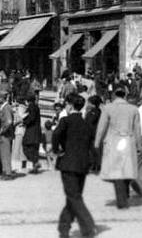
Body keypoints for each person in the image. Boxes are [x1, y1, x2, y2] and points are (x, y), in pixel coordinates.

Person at [53, 93, 97, 238]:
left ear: (70, 105)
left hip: (68, 163)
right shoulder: (87, 124)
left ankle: (89, 225)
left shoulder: (66, 121)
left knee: (74, 197)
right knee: (74, 197)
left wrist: (57, 149)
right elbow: (92, 144)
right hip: (83, 164)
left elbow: (55, 135)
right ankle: (64, 228)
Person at [94, 87, 142, 210]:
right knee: (127, 168)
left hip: (114, 141)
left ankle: (122, 201)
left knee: (117, 171)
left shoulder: (108, 108)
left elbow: (101, 126)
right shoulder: (133, 109)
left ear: (114, 95)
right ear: (125, 96)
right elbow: (137, 128)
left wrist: (97, 142)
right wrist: (139, 144)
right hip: (128, 141)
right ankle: (125, 194)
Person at [22, 94, 42, 174]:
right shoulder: (36, 107)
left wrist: (24, 122)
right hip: (36, 131)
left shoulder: (31, 107)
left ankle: (35, 162)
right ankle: (35, 166)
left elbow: (31, 118)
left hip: (31, 131)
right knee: (34, 149)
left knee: (26, 146)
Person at [0, 90, 14, 180]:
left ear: (1, 97)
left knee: (6, 153)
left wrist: (2, 130)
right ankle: (6, 171)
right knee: (3, 153)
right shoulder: (4, 107)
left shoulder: (6, 107)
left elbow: (9, 121)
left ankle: (8, 173)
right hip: (6, 134)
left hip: (6, 134)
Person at [84, 95, 102, 173]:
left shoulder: (95, 112)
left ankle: (95, 166)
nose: (87, 104)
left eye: (89, 102)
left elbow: (90, 123)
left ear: (93, 104)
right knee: (92, 151)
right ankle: (94, 165)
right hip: (92, 134)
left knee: (94, 151)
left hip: (92, 134)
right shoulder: (94, 111)